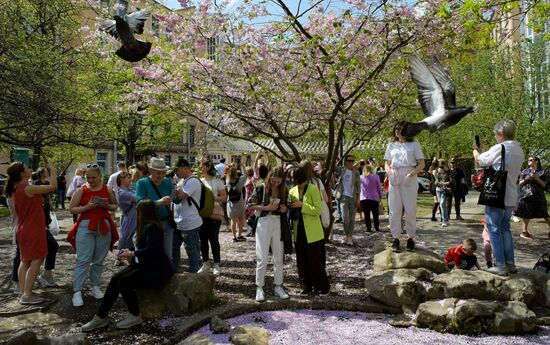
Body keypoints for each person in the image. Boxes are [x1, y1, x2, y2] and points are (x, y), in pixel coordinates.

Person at [81, 200, 174, 331]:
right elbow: (139, 246)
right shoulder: (145, 225)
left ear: (143, 212)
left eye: (138, 211)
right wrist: (128, 251)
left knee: (124, 281)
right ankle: (100, 317)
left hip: (154, 270)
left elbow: (154, 250)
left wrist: (132, 253)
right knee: (115, 279)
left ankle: (135, 314)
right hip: (141, 265)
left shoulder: (152, 227)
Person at [473, 120, 524, 276]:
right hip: (510, 193)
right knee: (505, 229)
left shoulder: (500, 147)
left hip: (497, 194)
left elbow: (481, 161)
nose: (495, 137)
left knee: (493, 228)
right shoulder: (518, 149)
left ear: (501, 134)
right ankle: (510, 263)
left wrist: (476, 151)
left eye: (496, 134)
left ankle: (500, 265)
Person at [5, 162, 57, 305]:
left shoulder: (16, 188)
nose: (29, 169)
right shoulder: (28, 188)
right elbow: (52, 187)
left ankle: (24, 292)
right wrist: (53, 171)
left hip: (23, 229)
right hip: (33, 229)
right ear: (22, 173)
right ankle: (27, 295)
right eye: (27, 168)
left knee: (25, 261)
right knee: (36, 261)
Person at [67, 164, 119, 307]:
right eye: (88, 177)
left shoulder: (108, 189)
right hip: (85, 225)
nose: (90, 180)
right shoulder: (81, 190)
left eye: (93, 177)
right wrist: (87, 207)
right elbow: (72, 209)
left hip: (103, 225)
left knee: (98, 259)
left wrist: (107, 206)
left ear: (100, 176)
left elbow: (115, 206)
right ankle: (77, 290)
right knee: (83, 259)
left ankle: (95, 286)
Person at [248, 167, 290, 302]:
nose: (275, 184)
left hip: (278, 222)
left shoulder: (284, 190)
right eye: (273, 181)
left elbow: (286, 205)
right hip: (264, 221)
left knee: (278, 256)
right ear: (270, 177)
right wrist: (266, 208)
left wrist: (284, 208)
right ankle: (259, 287)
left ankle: (278, 286)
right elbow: (250, 204)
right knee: (262, 257)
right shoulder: (261, 187)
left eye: (278, 182)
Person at [384, 121, 425, 252]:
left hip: (409, 175)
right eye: (395, 128)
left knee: (410, 209)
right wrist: (390, 173)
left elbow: (421, 164)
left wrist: (412, 174)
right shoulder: (391, 145)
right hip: (395, 175)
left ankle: (410, 238)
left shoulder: (414, 144)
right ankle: (395, 238)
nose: (397, 131)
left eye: (400, 129)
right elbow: (386, 163)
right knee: (394, 209)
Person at [289, 167, 330, 296]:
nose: (291, 178)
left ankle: (323, 286)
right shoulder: (292, 191)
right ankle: (306, 286)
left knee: (314, 261)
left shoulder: (312, 189)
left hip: (312, 231)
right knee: (301, 260)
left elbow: (318, 210)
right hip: (298, 229)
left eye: (292, 176)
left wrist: (302, 206)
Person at [135, 157, 180, 264]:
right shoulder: (142, 183)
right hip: (148, 224)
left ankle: (165, 277)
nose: (161, 176)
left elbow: (175, 201)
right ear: (150, 171)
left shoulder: (167, 182)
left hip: (166, 223)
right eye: (158, 173)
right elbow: (140, 204)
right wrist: (158, 202)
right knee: (148, 254)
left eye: (163, 173)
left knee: (167, 255)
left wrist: (179, 196)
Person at [172, 158, 203, 272]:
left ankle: (194, 272)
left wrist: (174, 189)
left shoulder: (193, 181)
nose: (175, 172)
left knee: (191, 249)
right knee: (174, 247)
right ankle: (173, 270)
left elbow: (181, 196)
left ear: (185, 168)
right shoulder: (182, 181)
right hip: (179, 221)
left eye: (177, 169)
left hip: (190, 222)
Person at [197, 160, 226, 275]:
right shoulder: (199, 181)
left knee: (213, 239)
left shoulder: (217, 181)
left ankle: (217, 264)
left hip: (214, 213)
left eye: (202, 166)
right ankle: (205, 263)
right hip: (202, 214)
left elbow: (224, 197)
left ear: (208, 167)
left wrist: (212, 197)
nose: (200, 168)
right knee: (202, 239)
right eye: (200, 166)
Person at [33, 167, 60, 287]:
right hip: (35, 223)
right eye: (45, 171)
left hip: (43, 219)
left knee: (51, 247)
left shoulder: (47, 183)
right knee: (35, 252)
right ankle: (31, 279)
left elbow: (49, 195)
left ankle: (45, 274)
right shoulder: (35, 185)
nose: (47, 173)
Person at [513, 156, 550, 239]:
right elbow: (520, 184)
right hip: (527, 195)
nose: (528, 161)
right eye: (528, 160)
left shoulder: (543, 172)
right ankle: (524, 232)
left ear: (536, 161)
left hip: (539, 196)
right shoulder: (525, 171)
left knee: (544, 213)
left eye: (530, 160)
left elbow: (544, 185)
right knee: (526, 213)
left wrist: (537, 178)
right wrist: (527, 178)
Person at [334, 154, 360, 245]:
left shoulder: (356, 172)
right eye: (349, 161)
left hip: (353, 197)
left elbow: (358, 186)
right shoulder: (342, 170)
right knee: (345, 218)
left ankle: (349, 236)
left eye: (352, 161)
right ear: (345, 161)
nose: (351, 162)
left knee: (352, 218)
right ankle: (346, 234)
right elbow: (333, 165)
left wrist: (358, 199)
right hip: (343, 196)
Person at [115, 172, 137, 266]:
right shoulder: (122, 193)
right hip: (129, 220)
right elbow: (137, 198)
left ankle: (125, 260)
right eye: (128, 177)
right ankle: (120, 258)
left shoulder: (129, 189)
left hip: (133, 218)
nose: (130, 179)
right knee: (126, 240)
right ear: (121, 179)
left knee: (128, 241)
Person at [359, 164, 383, 232]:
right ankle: (376, 227)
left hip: (364, 198)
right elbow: (379, 188)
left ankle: (368, 228)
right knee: (375, 214)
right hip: (374, 198)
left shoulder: (360, 177)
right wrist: (380, 196)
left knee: (366, 215)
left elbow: (359, 188)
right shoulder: (376, 177)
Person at [226, 166, 247, 242]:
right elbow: (246, 174)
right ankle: (239, 235)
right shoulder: (240, 180)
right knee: (241, 218)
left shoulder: (227, 180)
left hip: (231, 202)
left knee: (233, 219)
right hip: (239, 201)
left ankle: (234, 237)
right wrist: (242, 166)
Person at [434, 159, 452, 227]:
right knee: (442, 206)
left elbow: (451, 182)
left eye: (442, 166)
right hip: (438, 190)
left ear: (444, 165)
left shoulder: (448, 172)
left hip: (445, 190)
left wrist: (443, 183)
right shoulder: (437, 171)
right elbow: (436, 179)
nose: (440, 168)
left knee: (442, 204)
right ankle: (445, 220)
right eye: (439, 166)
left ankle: (444, 221)